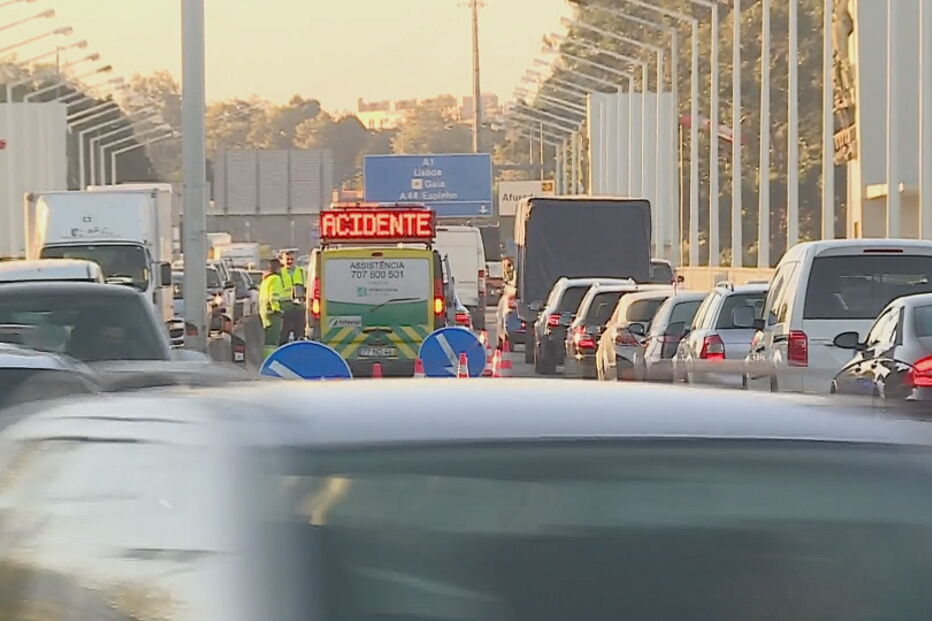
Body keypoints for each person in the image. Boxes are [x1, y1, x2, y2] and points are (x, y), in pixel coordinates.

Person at [278, 249, 306, 344]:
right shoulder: (279, 273)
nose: (289, 262)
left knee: (299, 335)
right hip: (285, 308)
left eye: (291, 259)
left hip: (299, 308)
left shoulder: (301, 272)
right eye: (287, 259)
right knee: (283, 335)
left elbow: (306, 287)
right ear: (282, 260)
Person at [259, 259, 285, 359]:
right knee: (272, 342)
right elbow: (273, 297)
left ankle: (266, 359)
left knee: (267, 340)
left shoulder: (266, 279)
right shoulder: (276, 279)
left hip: (265, 313)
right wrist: (278, 310)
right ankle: (271, 360)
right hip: (273, 313)